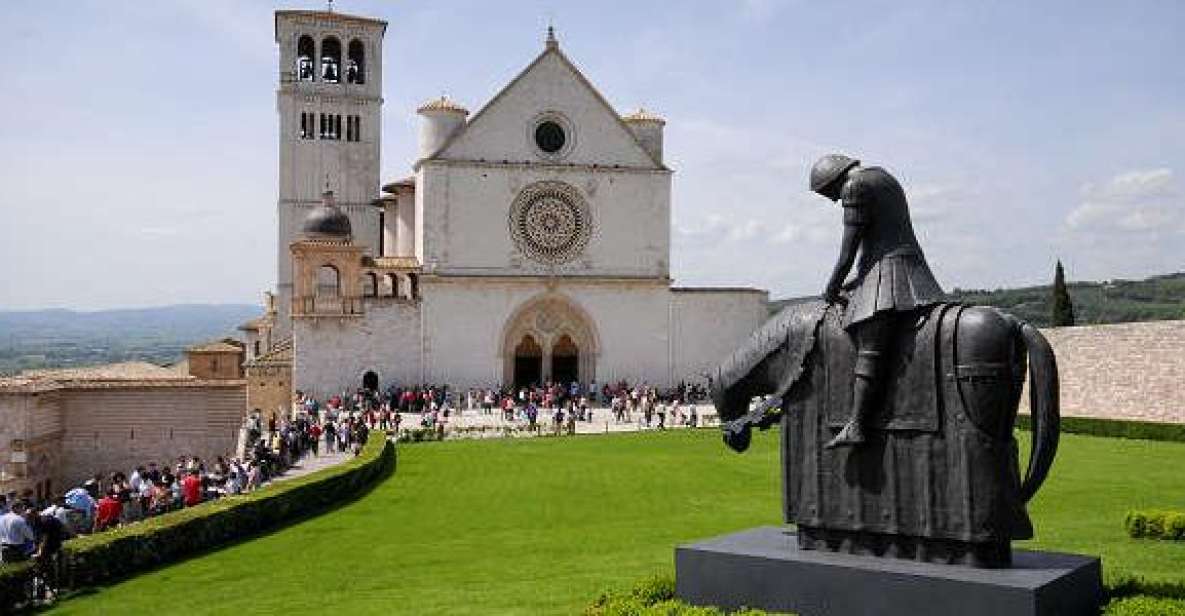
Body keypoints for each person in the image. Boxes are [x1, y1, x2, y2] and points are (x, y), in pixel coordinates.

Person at [810, 154, 944, 448]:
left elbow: (849, 250)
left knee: (869, 342)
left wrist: (831, 288)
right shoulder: (882, 175)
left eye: (828, 193)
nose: (832, 200)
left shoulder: (854, 186)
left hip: (891, 273)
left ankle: (857, 423)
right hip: (902, 267)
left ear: (834, 180)